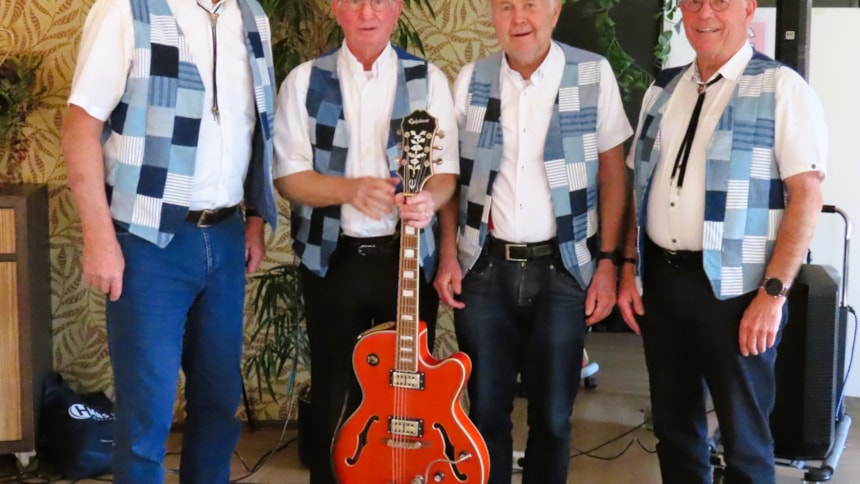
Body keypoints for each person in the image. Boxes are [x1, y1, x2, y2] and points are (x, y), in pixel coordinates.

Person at [62, 0, 278, 481]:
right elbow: (80, 128)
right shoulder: (124, 10)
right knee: (147, 414)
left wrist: (256, 218)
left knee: (219, 403)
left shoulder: (252, 15)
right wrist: (99, 238)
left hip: (226, 237)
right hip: (146, 242)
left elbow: (255, 127)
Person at [617, 0, 828, 482]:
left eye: (719, 1)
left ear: (748, 8)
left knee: (745, 439)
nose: (704, 13)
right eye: (693, 1)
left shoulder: (781, 88)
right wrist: (629, 268)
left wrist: (772, 295)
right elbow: (637, 188)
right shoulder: (662, 89)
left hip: (739, 293)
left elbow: (807, 196)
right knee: (674, 428)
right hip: (662, 283)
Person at [433, 0, 632, 482]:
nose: (518, 18)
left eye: (530, 5)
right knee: (484, 413)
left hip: (564, 270)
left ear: (555, 11)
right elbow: (451, 177)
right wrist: (447, 256)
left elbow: (613, 175)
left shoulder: (593, 74)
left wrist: (608, 264)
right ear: (493, 16)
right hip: (483, 268)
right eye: (505, 7)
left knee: (554, 416)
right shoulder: (472, 79)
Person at [271, 0, 459, 482]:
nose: (367, 12)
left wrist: (429, 200)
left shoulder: (428, 80)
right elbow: (289, 177)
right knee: (334, 391)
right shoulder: (303, 81)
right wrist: (350, 190)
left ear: (397, 9)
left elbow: (445, 175)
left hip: (407, 261)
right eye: (354, 0)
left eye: (379, 1)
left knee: (407, 391)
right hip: (333, 259)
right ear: (337, 9)